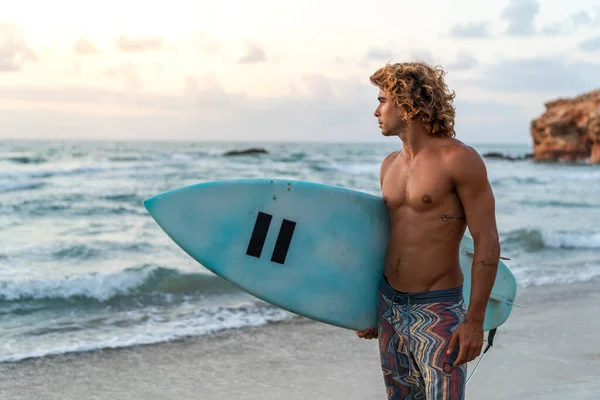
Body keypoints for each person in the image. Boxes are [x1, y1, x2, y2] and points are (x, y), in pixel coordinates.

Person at [356, 62, 500, 400]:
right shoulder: (389, 165)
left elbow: (487, 241)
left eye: (382, 100)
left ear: (406, 104)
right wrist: (362, 307)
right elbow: (384, 241)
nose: (375, 111)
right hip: (388, 302)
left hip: (437, 308)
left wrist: (474, 320)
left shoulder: (459, 160)